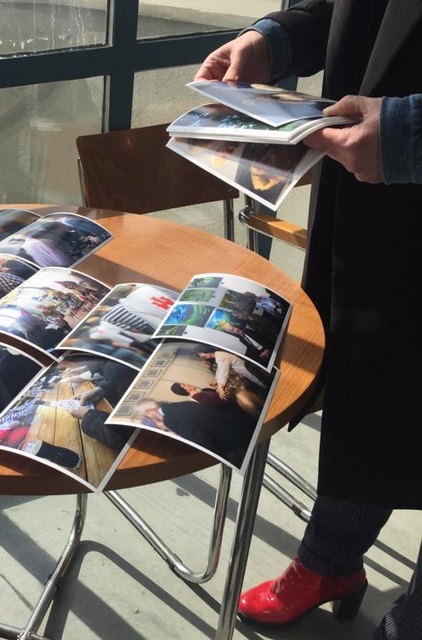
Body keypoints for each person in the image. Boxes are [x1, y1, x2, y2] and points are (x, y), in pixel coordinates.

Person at [195, 2, 422, 637]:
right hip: (368, 207)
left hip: (395, 159)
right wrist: (274, 39)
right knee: (369, 394)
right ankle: (330, 563)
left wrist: (413, 134)